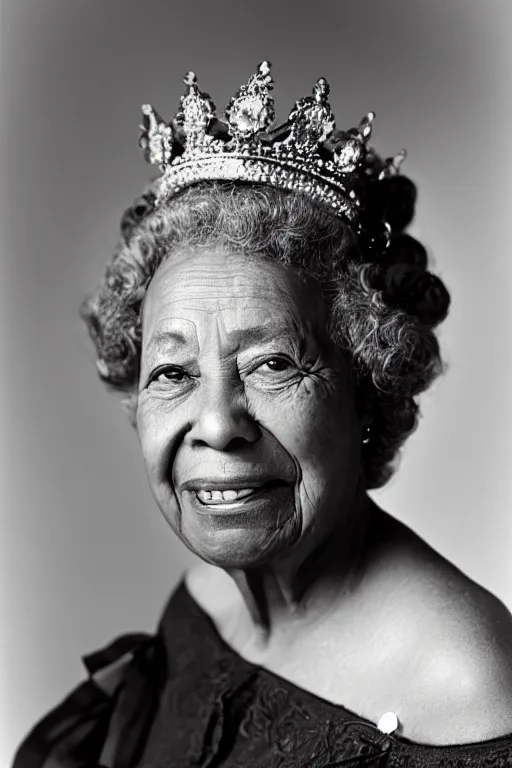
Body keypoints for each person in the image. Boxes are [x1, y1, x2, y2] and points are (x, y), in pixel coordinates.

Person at [12, 61, 512, 768]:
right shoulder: (203, 602)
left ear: (367, 386)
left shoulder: (469, 689)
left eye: (273, 364)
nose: (216, 425)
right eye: (172, 373)